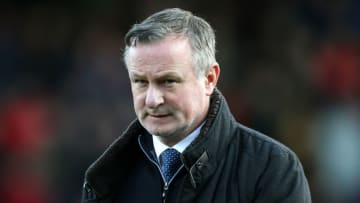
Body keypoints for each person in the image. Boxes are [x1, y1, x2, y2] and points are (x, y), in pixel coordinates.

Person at [81, 8, 311, 203]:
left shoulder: (271, 168)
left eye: (168, 81)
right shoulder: (109, 175)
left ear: (209, 78)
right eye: (140, 82)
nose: (152, 99)